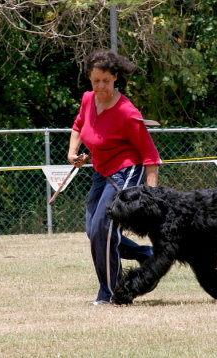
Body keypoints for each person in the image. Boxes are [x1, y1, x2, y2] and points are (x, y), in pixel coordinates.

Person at [67, 49, 161, 305]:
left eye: (105, 81)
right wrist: (73, 152)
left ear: (115, 78)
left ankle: (111, 293)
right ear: (89, 78)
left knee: (103, 229)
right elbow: (78, 126)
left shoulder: (126, 111)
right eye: (95, 80)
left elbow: (151, 155)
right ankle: (148, 255)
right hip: (101, 171)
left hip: (127, 171)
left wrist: (149, 195)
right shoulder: (88, 99)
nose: (100, 86)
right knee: (93, 231)